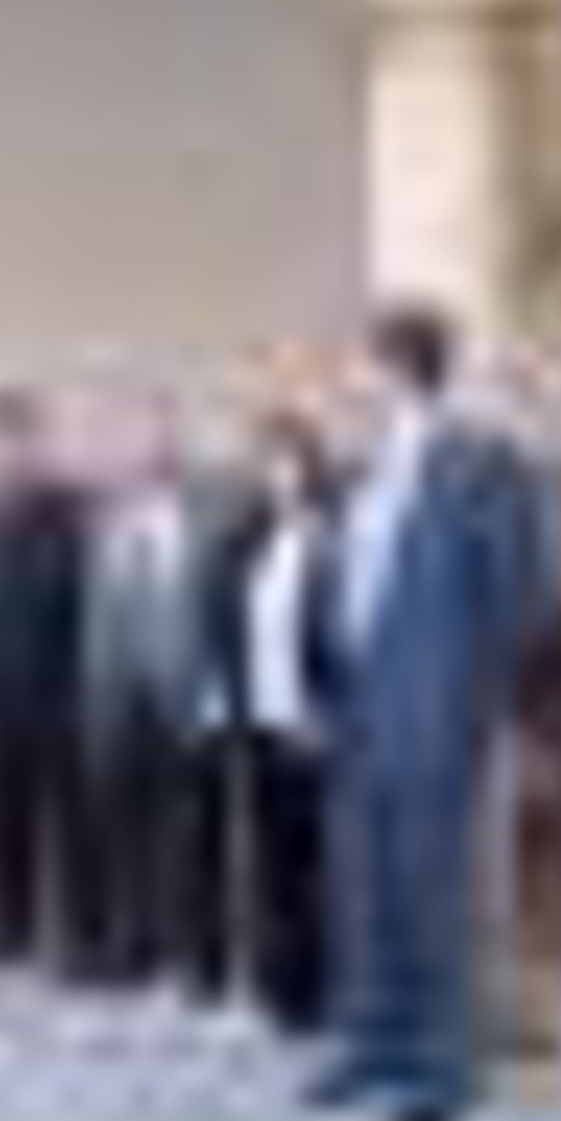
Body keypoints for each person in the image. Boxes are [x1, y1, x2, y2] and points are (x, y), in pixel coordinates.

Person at [312, 302, 558, 1121]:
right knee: (362, 885)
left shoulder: (482, 461)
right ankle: (372, 1044)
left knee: (434, 895)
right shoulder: (366, 468)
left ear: (399, 369)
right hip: (358, 703)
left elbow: (522, 597)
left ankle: (443, 1073)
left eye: (362, 366)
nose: (351, 382)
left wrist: (478, 707)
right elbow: (349, 582)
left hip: (434, 711)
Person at [0, 387, 93, 973]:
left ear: (38, 444)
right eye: (1, 440)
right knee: (4, 817)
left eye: (22, 438)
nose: (11, 452)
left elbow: (79, 599)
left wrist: (77, 682)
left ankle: (76, 933)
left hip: (55, 689)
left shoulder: (65, 513)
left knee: (66, 819)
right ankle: (12, 929)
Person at [80, 415, 226, 989]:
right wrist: (95, 696)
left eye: (161, 450)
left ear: (175, 460)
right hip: (120, 702)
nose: (149, 462)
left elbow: (217, 614)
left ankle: (189, 954)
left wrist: (213, 692)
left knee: (186, 833)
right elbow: (96, 622)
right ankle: (130, 948)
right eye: (140, 452)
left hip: (182, 698)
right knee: (123, 832)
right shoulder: (107, 526)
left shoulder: (205, 523)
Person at [214, 406, 341, 1036]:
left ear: (310, 468)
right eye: (267, 464)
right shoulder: (250, 538)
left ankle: (319, 993)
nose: (277, 475)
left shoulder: (331, 536)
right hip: (262, 716)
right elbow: (228, 618)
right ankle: (279, 992)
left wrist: (330, 708)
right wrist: (230, 696)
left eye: (287, 462)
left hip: (313, 721)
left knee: (317, 862)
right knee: (271, 862)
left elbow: (342, 633)